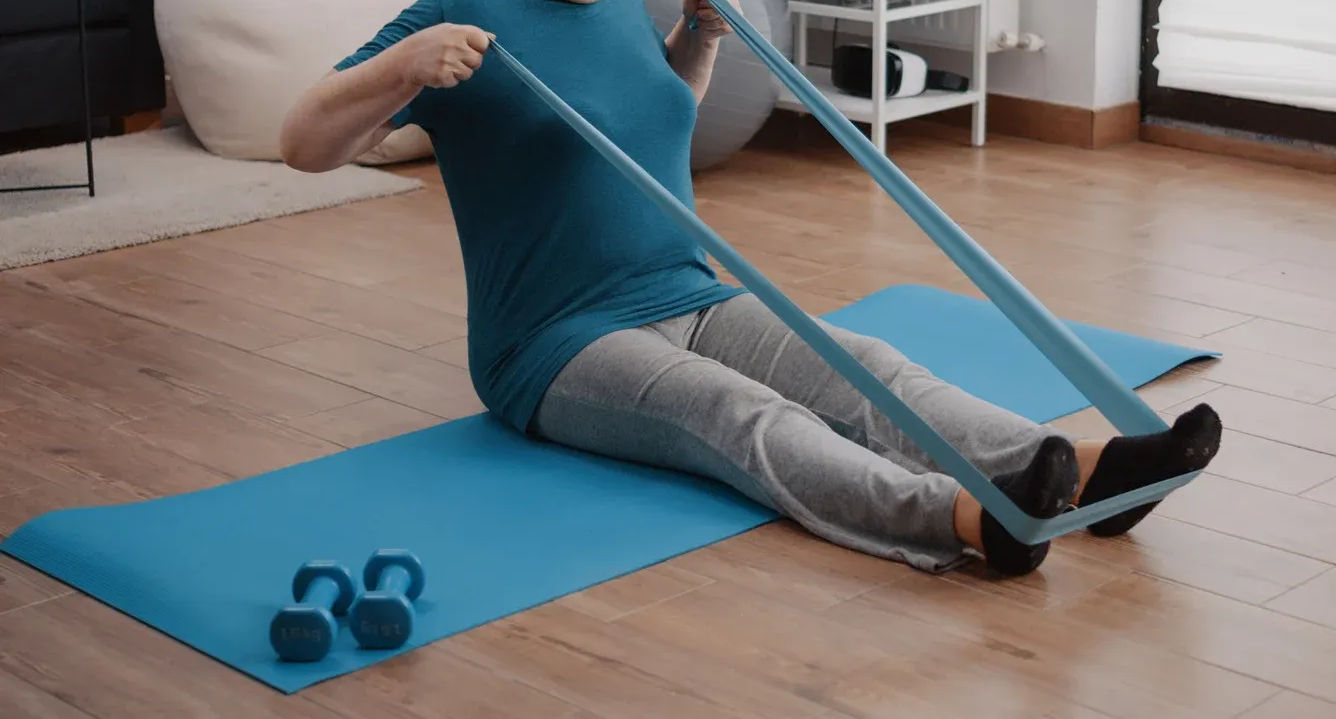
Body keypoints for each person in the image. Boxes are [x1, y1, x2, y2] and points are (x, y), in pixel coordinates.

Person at [280, 0, 1223, 578]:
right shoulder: (452, 22)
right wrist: (404, 66)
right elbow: (302, 144)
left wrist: (696, 39)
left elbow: (656, 126)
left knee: (864, 363)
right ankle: (970, 521)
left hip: (685, 286)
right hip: (555, 342)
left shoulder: (618, 9)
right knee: (742, 415)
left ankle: (1092, 473)